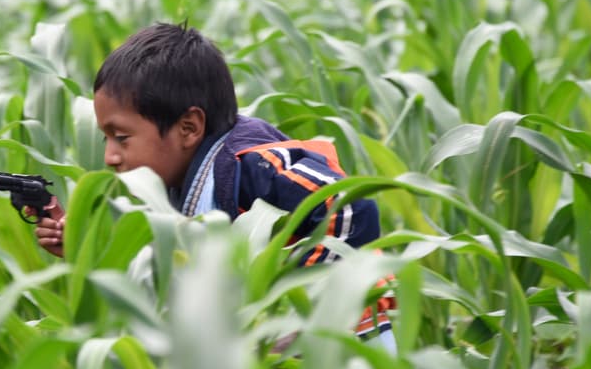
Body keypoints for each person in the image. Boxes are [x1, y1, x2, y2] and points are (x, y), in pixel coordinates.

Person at [33, 22, 394, 350]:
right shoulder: (171, 187)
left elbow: (350, 205)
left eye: (122, 138)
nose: (110, 156)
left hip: (349, 351)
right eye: (105, 140)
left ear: (188, 128)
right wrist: (86, 249)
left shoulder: (250, 166)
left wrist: (298, 300)